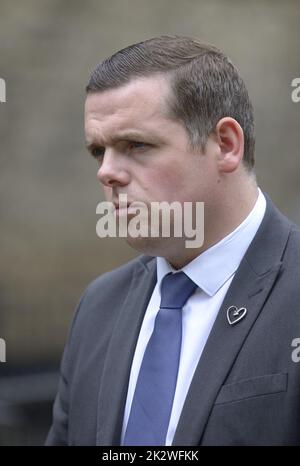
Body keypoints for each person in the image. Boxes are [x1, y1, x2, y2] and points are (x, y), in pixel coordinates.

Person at [46, 35, 300, 446]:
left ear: (226, 145)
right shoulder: (98, 307)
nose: (106, 172)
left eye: (136, 145)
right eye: (98, 150)